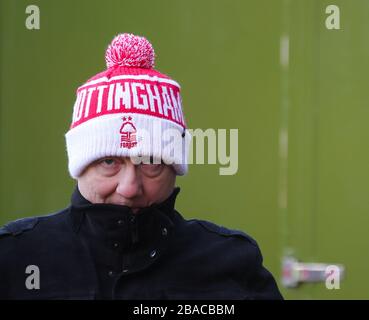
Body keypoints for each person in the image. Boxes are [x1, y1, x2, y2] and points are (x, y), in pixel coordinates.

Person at [0, 33, 283, 300]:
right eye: (109, 162)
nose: (130, 187)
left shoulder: (229, 261)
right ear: (79, 166)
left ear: (175, 169)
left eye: (150, 163)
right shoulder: (16, 256)